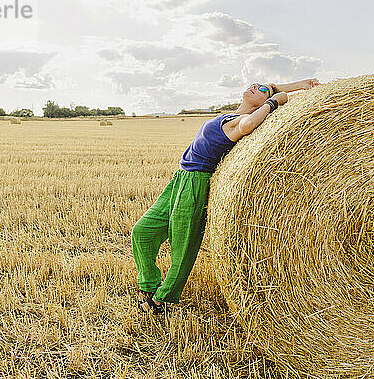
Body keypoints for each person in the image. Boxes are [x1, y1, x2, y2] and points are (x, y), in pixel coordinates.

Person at [132, 78, 321, 314]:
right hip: (180, 179)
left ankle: (161, 299)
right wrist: (303, 84)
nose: (255, 86)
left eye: (261, 90)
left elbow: (249, 125)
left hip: (196, 182)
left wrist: (273, 102)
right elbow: (273, 87)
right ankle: (148, 283)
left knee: (183, 247)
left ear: (265, 101)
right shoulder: (230, 115)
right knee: (142, 231)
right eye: (255, 83)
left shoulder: (241, 121)